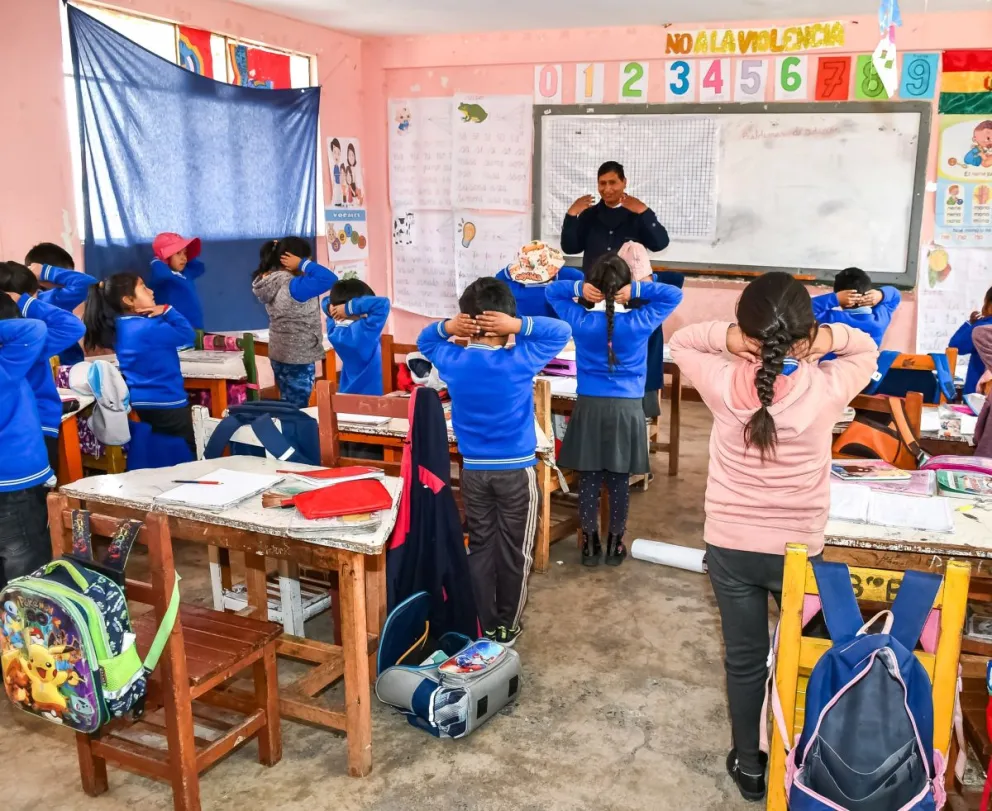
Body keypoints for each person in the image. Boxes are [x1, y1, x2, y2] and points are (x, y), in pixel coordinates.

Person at [668, 272, 878, 802]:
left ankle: (750, 764)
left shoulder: (718, 380)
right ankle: (800, 750)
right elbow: (868, 347)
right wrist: (824, 340)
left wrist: (731, 339)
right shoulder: (828, 387)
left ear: (747, 329)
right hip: (799, 548)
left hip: (731, 545)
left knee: (744, 657)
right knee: (802, 652)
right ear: (804, 333)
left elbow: (680, 340)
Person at [417, 277, 571, 646]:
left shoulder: (453, 360)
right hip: (516, 473)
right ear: (504, 325)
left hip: (473, 473)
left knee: (482, 545)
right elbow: (560, 330)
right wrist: (518, 326)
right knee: (515, 550)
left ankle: (483, 622)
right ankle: (507, 624)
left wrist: (448, 327)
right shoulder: (519, 359)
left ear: (467, 324)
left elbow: (426, 340)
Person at [546, 254, 683, 567]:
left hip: (590, 407)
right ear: (624, 286)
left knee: (590, 479)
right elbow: (674, 293)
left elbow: (551, 292)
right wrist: (636, 289)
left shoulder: (580, 321)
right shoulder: (640, 321)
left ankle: (589, 544)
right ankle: (614, 543)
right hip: (628, 410)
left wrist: (580, 287)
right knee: (619, 481)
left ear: (593, 287)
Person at [83, 273, 197, 454]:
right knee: (186, 451)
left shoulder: (120, 327)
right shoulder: (149, 327)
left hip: (142, 402)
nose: (151, 291)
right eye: (143, 287)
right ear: (128, 300)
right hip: (168, 400)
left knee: (159, 450)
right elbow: (188, 335)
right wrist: (167, 310)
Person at [0, 262, 86, 473]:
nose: (36, 300)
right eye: (33, 295)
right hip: (35, 426)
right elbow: (73, 326)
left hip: (32, 427)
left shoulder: (25, 340)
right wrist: (26, 302)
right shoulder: (30, 341)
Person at [0, 296, 54, 588]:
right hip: (15, 484)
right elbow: (33, 329)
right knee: (28, 569)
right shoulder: (7, 366)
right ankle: (25, 631)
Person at [252, 238, 338, 409]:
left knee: (288, 401)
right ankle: (295, 434)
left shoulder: (271, 281)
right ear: (293, 260)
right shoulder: (295, 285)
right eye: (308, 258)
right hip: (298, 356)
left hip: (279, 352)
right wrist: (303, 264)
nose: (309, 263)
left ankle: (287, 430)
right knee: (298, 407)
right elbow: (330, 279)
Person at [560, 161, 670, 273]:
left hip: (628, 286)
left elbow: (660, 244)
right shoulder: (589, 214)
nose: (607, 189)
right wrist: (571, 215)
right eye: (602, 183)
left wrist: (644, 211)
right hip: (593, 287)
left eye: (612, 182)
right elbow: (570, 248)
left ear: (624, 182)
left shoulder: (638, 214)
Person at [24, 242, 97, 365]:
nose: (66, 281)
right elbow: (90, 284)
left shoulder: (28, 302)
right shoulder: (53, 299)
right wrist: (46, 271)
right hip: (65, 369)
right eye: (64, 275)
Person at [322, 279, 390, 395]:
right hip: (374, 393)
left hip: (347, 392)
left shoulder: (334, 331)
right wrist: (349, 308)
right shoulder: (364, 331)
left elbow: (325, 301)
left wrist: (333, 308)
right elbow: (383, 303)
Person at [811, 266, 901, 349]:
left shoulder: (832, 319)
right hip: (866, 366)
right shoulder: (879, 320)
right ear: (869, 291)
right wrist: (880, 295)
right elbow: (895, 296)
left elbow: (803, 309)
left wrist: (835, 298)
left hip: (829, 365)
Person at [494, 241, 584, 319]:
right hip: (525, 329)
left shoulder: (570, 275)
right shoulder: (508, 283)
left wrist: (581, 298)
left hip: (556, 329)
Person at [148, 231, 206, 330]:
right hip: (175, 329)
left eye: (185, 253)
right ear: (165, 258)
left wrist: (189, 255)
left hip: (195, 326)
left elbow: (200, 268)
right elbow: (160, 273)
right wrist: (158, 259)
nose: (184, 258)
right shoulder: (164, 279)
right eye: (178, 253)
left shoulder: (186, 274)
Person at [949, 285, 992, 396]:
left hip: (978, 396)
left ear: (988, 305)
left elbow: (955, 346)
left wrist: (969, 324)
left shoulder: (981, 327)